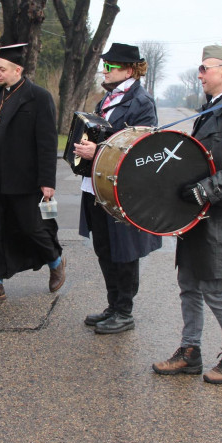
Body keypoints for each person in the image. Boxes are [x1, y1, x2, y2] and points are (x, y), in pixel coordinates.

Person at [152, 45, 222, 384]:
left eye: (204, 69)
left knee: (214, 288)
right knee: (188, 283)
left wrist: (206, 189)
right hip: (197, 216)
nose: (199, 75)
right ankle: (190, 352)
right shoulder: (210, 110)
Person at [72, 43, 162, 334]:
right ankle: (113, 305)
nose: (104, 70)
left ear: (128, 69)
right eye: (105, 65)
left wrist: (95, 151)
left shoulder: (142, 102)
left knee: (123, 251)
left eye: (109, 66)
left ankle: (125, 311)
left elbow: (140, 150)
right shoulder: (108, 97)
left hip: (120, 189)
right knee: (104, 248)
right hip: (97, 185)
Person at [0, 43, 65, 305]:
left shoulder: (39, 97)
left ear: (18, 69)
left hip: (24, 177)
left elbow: (47, 143)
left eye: (2, 69)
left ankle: (56, 261)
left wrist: (47, 181)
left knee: (32, 226)